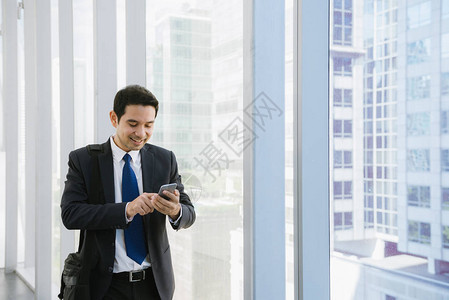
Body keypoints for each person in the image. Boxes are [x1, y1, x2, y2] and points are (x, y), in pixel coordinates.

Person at [61, 85, 196, 300]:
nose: (141, 133)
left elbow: (189, 213)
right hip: (104, 287)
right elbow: (71, 214)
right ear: (114, 118)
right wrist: (127, 209)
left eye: (148, 125)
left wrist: (175, 210)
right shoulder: (84, 160)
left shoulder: (164, 159)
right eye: (133, 124)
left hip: (154, 285)